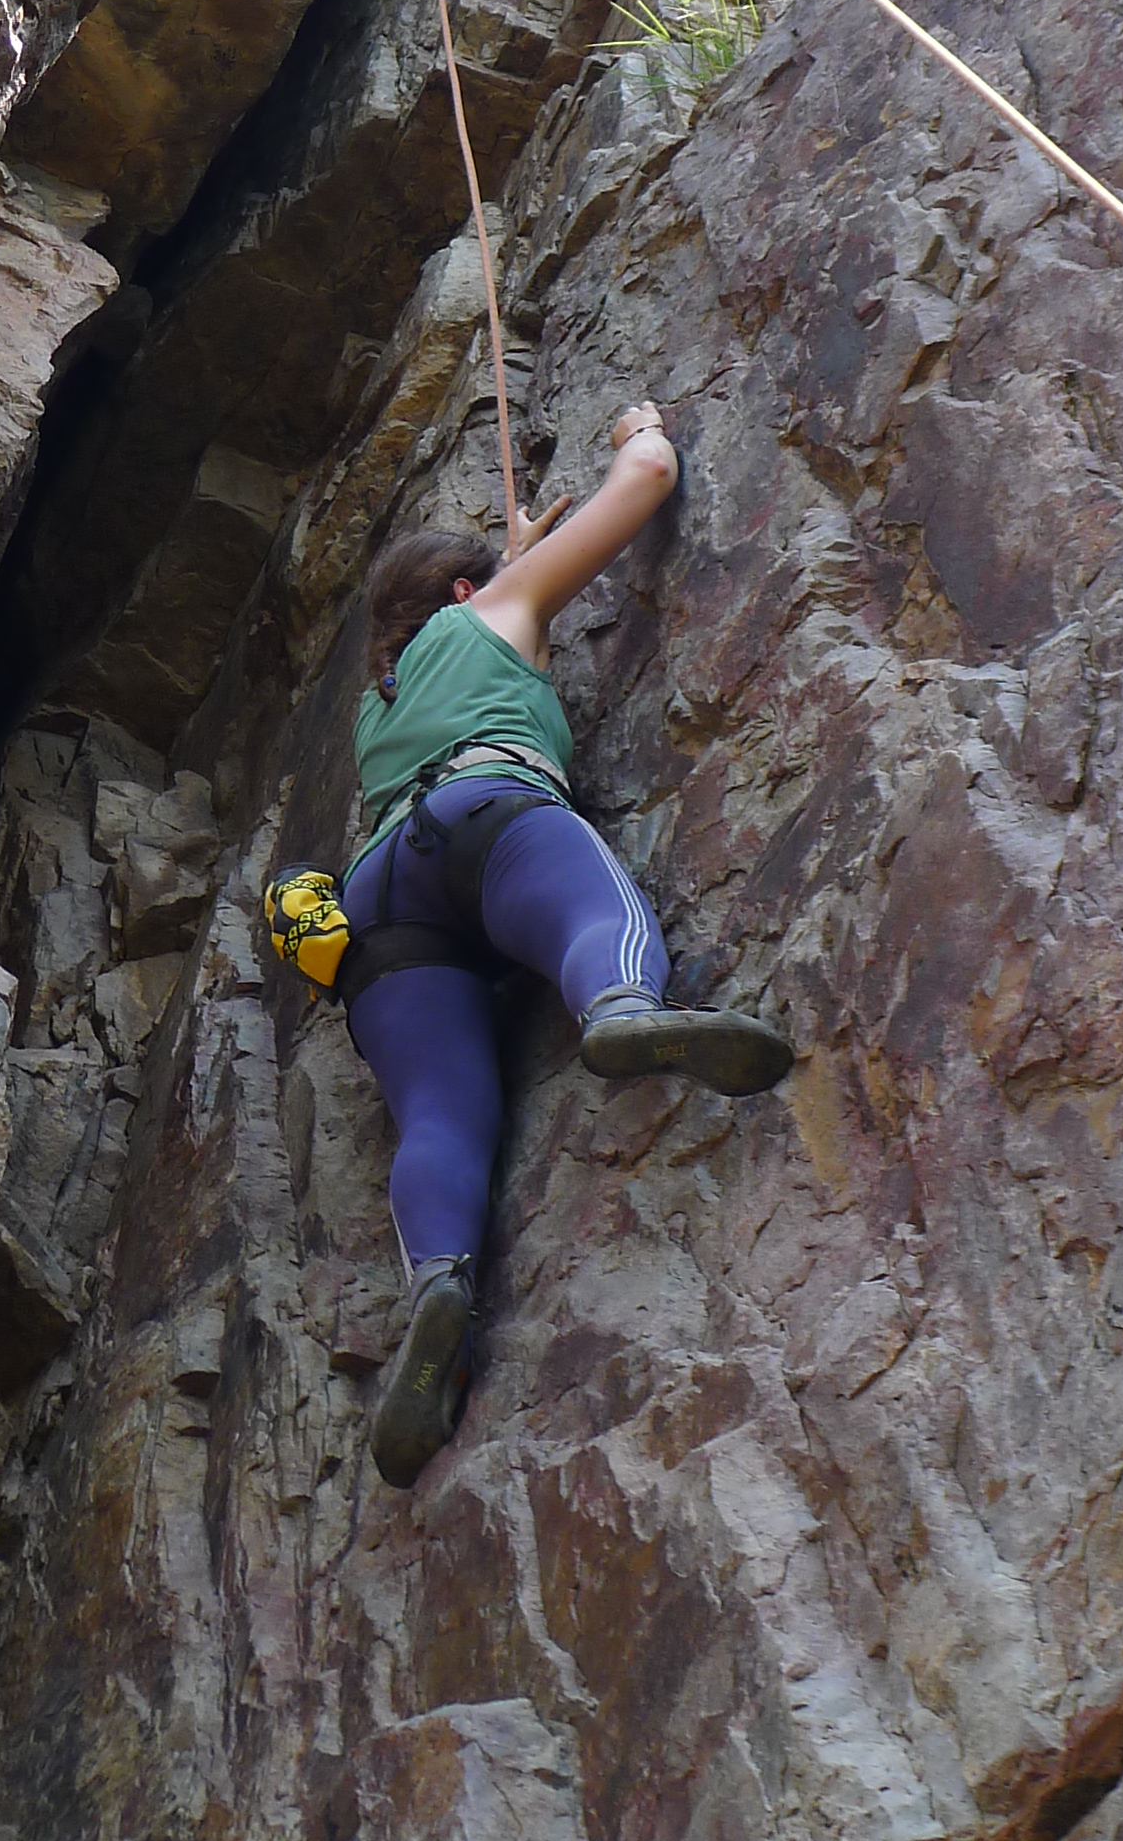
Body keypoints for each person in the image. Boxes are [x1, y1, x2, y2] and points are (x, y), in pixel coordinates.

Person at [340, 400, 793, 1486]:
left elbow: (497, 603)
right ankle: (621, 1012)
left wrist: (521, 551)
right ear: (465, 590)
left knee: (442, 1112)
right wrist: (638, 428)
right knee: (595, 909)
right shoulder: (489, 613)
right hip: (488, 813)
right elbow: (644, 482)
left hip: (381, 898)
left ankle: (439, 1284)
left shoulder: (378, 705)